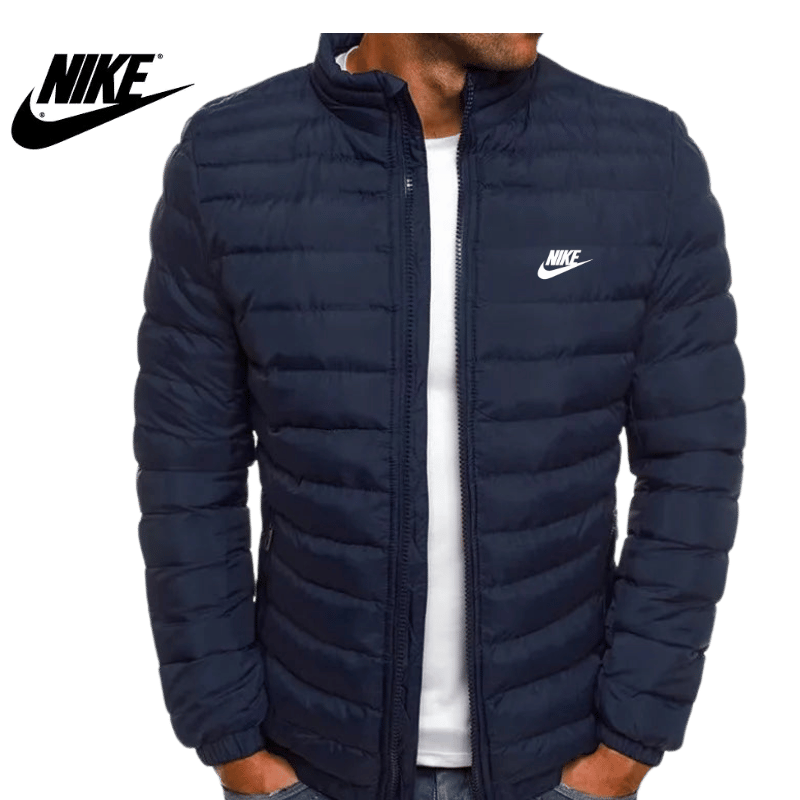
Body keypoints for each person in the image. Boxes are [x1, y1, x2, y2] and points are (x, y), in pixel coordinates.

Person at [132, 33, 746, 800]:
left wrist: (629, 743)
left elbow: (695, 466)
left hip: (557, 768)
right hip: (312, 764)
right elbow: (187, 471)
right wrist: (230, 741)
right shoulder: (225, 161)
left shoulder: (646, 160)